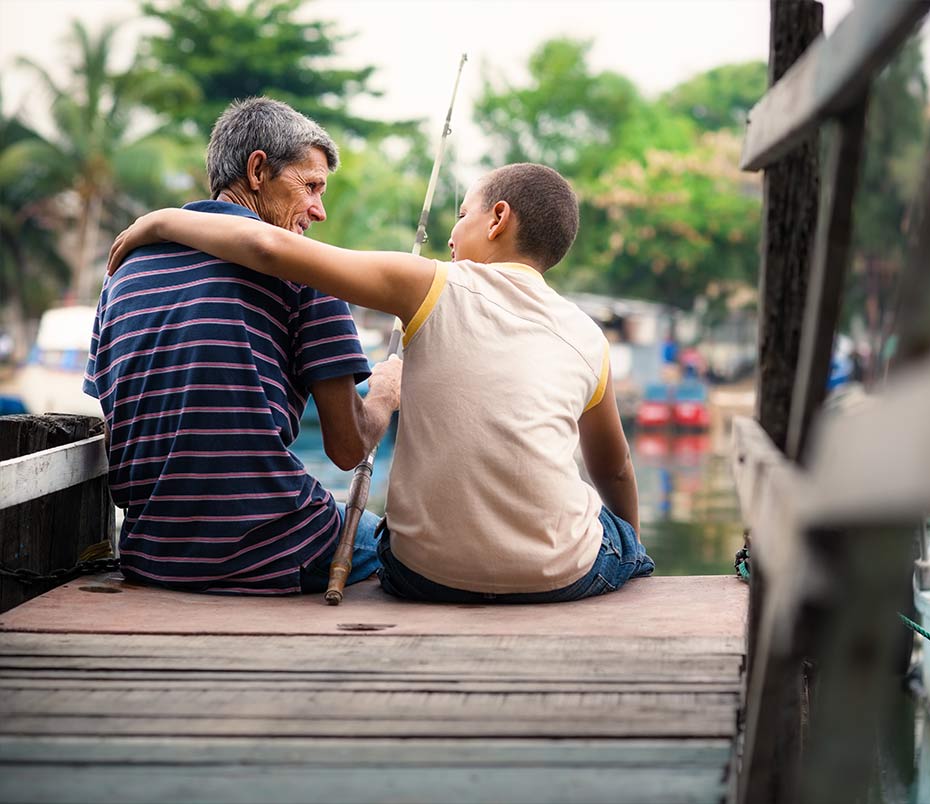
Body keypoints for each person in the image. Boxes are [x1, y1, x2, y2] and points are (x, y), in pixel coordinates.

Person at [107, 162, 653, 603]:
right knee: (616, 533)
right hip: (560, 576)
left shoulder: (430, 282)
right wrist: (629, 542)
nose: (451, 233)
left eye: (462, 215)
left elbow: (273, 250)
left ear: (497, 218)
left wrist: (159, 223)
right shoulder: (588, 336)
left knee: (385, 528)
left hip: (422, 575)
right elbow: (617, 468)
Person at [85, 97, 402, 595]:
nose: (319, 211)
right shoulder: (306, 268)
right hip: (278, 546)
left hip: (150, 555)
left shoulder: (123, 272)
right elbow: (346, 448)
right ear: (258, 170)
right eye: (311, 186)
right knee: (402, 546)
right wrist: (386, 389)